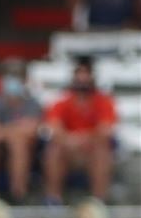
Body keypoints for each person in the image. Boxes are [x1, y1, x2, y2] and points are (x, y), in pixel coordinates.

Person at [43, 58, 118, 204]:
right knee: (53, 152)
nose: (83, 79)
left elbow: (105, 130)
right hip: (68, 151)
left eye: (86, 74)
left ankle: (98, 201)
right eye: (80, 74)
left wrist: (82, 139)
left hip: (92, 151)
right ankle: (53, 200)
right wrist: (70, 140)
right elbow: (54, 127)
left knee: (102, 152)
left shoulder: (104, 102)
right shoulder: (62, 102)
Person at [0, 60, 43, 202]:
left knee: (18, 143)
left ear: (24, 80)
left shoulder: (33, 104)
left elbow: (31, 132)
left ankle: (18, 194)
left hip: (28, 153)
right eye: (8, 76)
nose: (12, 80)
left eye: (16, 76)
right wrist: (12, 130)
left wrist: (2, 131)